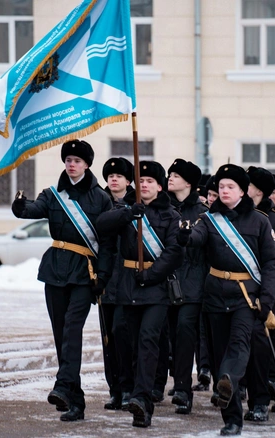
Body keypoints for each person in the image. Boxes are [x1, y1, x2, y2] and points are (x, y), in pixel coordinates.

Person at [11, 140, 113, 422]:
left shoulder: (101, 198)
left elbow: (106, 242)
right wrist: (20, 206)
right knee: (61, 335)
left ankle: (62, 385)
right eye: (68, 159)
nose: (71, 164)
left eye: (77, 160)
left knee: (72, 330)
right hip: (56, 269)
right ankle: (74, 400)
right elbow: (32, 210)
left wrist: (102, 277)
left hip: (84, 273)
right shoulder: (53, 194)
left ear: (87, 165)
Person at [178, 164, 275, 436]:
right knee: (221, 351)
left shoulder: (259, 221)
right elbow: (197, 238)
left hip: (246, 297)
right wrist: (185, 236)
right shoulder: (209, 220)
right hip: (214, 296)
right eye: (220, 187)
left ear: (243, 191)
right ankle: (232, 419)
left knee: (238, 345)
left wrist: (266, 299)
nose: (223, 191)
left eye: (229, 187)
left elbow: (272, 263)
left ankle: (230, 380)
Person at [96, 161, 184, 428]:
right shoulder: (126, 210)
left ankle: (142, 401)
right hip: (128, 286)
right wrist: (128, 214)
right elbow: (102, 225)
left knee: (148, 341)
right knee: (128, 341)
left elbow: (173, 252)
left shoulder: (171, 215)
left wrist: (152, 274)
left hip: (155, 288)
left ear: (159, 186)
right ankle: (134, 390)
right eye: (140, 180)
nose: (144, 185)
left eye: (149, 181)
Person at [244, 166, 275, 421]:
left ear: (258, 191)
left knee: (266, 351)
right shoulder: (237, 216)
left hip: (269, 297)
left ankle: (274, 396)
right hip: (243, 295)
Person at [165, 158, 208, 414]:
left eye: (175, 175)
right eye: (169, 174)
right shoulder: (164, 209)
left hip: (193, 283)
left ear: (189, 183)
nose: (170, 178)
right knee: (170, 336)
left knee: (184, 333)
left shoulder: (202, 212)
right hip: (167, 282)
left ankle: (183, 389)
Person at [100, 157, 135, 410]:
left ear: (128, 181)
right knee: (107, 338)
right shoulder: (99, 203)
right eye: (110, 176)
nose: (114, 179)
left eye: (119, 176)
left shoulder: (138, 204)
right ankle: (114, 389)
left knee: (124, 334)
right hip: (104, 279)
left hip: (130, 281)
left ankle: (128, 387)